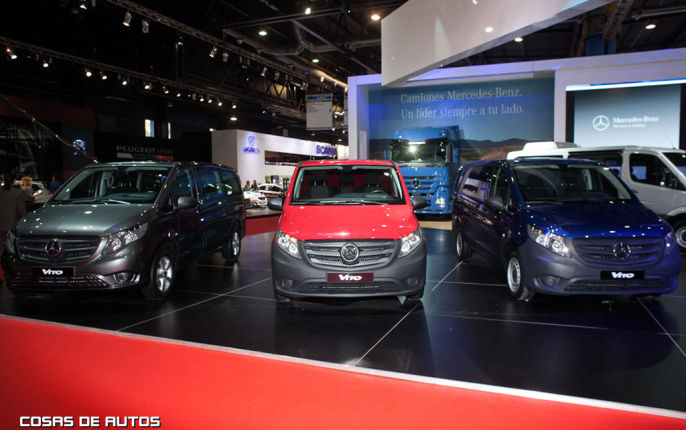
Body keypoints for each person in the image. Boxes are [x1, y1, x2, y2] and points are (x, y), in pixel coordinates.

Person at [0, 173, 27, 256]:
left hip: (1, 223)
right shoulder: (18, 192)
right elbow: (21, 210)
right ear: (14, 181)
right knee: (11, 248)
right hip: (12, 224)